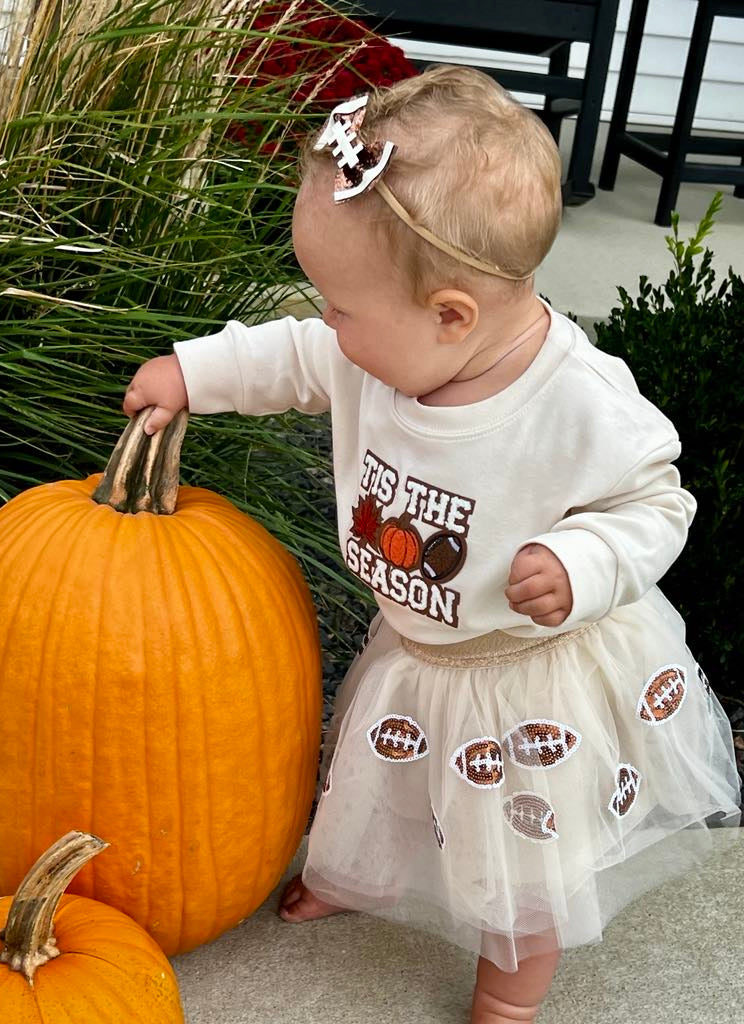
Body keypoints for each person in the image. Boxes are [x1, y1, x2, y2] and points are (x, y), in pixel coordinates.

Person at [122, 66, 740, 1024]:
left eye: (340, 305)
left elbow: (658, 505)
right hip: (419, 646)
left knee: (521, 859)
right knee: (383, 783)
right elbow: (291, 355)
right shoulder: (382, 347)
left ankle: (507, 994)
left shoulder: (578, 401)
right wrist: (190, 373)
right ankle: (356, 877)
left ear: (451, 314)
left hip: (530, 671)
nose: (325, 323)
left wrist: (585, 565)